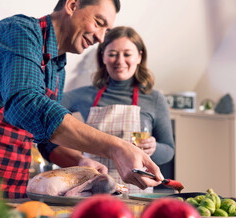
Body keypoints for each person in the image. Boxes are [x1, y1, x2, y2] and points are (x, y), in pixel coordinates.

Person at [0, 0, 164, 199]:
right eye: (99, 23)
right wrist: (115, 147)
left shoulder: (57, 65)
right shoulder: (19, 32)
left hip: (11, 187)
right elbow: (25, 105)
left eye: (106, 31)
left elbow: (45, 138)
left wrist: (81, 161)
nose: (101, 38)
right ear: (72, 5)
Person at [59, 26, 175, 193]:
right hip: (93, 192)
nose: (120, 61)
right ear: (103, 57)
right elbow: (45, 111)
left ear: (139, 57)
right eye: (112, 54)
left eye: (127, 54)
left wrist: (154, 149)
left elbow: (169, 151)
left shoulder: (155, 98)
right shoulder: (84, 95)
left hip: (137, 194)